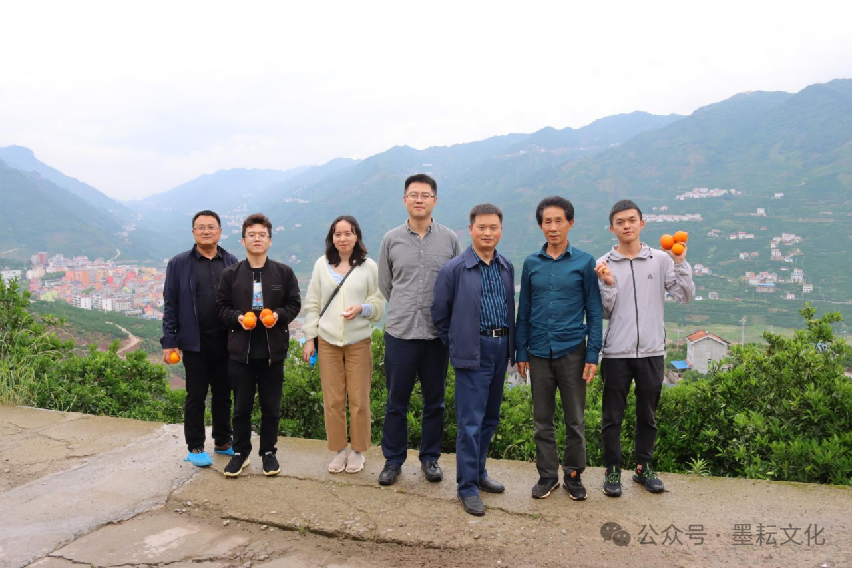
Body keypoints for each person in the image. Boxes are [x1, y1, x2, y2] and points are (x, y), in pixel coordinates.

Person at [594, 199, 695, 496]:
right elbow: (604, 311)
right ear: (611, 228)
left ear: (642, 223)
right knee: (611, 416)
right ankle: (612, 470)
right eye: (620, 222)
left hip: (652, 350)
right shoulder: (603, 263)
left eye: (631, 220)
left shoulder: (661, 259)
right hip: (616, 352)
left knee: (647, 415)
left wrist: (680, 263)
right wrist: (608, 284)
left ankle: (643, 467)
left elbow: (684, 296)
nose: (626, 226)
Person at [515, 196, 602, 501]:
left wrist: (593, 353)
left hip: (572, 350)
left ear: (570, 223)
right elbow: (524, 310)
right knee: (542, 420)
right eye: (547, 222)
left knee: (575, 420)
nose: (553, 227)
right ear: (541, 225)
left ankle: (574, 475)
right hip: (538, 351)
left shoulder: (585, 262)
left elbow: (594, 310)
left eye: (558, 221)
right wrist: (521, 351)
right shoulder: (531, 263)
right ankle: (548, 475)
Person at [377, 174, 461, 486]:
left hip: (436, 336)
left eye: (425, 195)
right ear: (405, 200)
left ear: (434, 201)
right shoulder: (391, 239)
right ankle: (393, 460)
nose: (419, 200)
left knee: (434, 402)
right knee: (396, 401)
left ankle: (430, 459)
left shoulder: (450, 240)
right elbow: (386, 285)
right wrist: (405, 306)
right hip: (400, 334)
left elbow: (456, 284)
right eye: (413, 195)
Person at [432, 204, 515, 517]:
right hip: (473, 349)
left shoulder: (506, 266)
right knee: (470, 423)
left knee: (490, 418)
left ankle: (479, 473)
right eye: (482, 227)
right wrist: (459, 344)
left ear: (501, 231)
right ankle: (466, 487)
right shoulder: (454, 269)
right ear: (470, 230)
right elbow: (440, 315)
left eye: (494, 227)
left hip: (501, 346)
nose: (487, 233)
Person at [216, 213, 301, 478]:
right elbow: (221, 308)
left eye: (262, 235)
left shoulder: (283, 273)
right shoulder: (231, 274)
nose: (257, 239)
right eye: (251, 235)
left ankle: (268, 453)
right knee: (241, 408)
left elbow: (294, 304)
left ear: (270, 240)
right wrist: (238, 319)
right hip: (240, 352)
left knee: (270, 408)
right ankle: (240, 453)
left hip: (272, 352)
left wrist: (278, 315)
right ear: (243, 241)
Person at [302, 215, 385, 474]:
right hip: (327, 341)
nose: (343, 238)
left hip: (358, 341)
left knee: (359, 399)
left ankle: (358, 451)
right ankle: (339, 450)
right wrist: (309, 338)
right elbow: (313, 303)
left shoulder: (368, 267)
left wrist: (362, 308)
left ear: (356, 236)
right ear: (332, 238)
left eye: (348, 233)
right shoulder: (321, 265)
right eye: (337, 234)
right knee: (333, 400)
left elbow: (378, 303)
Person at [161, 210, 238, 467]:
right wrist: (169, 341)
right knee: (196, 395)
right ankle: (194, 446)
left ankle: (223, 441)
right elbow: (170, 304)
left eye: (211, 227)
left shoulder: (231, 261)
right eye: (201, 227)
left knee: (223, 394)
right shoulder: (179, 263)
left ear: (220, 231)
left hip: (226, 341)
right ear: (193, 232)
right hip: (195, 342)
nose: (206, 231)